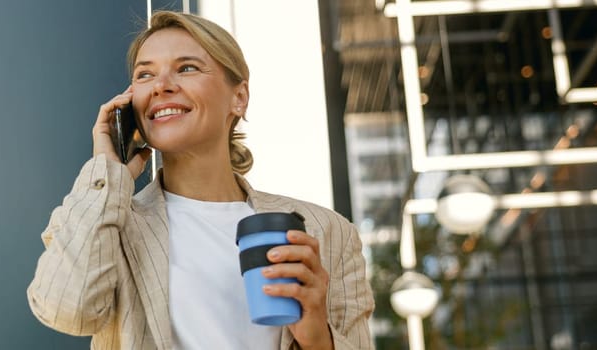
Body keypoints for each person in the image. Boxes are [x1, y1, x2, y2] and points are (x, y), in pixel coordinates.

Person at [27, 11, 373, 350]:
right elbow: (66, 312)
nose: (161, 86)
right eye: (145, 75)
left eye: (187, 68)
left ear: (239, 98)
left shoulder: (327, 232)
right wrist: (107, 170)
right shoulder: (108, 222)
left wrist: (317, 338)